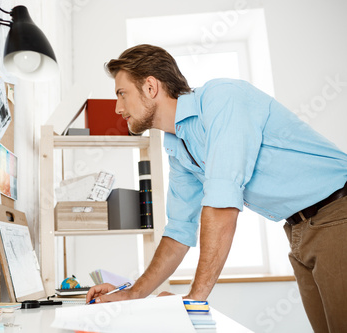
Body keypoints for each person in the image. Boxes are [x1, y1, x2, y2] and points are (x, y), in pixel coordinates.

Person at [85, 44, 347, 332]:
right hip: (299, 230)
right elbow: (179, 231)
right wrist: (133, 293)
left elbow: (222, 205)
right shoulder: (178, 145)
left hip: (338, 214)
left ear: (150, 87)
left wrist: (195, 300)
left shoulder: (223, 99)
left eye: (121, 94)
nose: (117, 108)